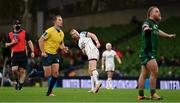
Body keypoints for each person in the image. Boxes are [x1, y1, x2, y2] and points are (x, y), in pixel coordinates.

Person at [138, 6, 176, 100]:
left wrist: (168, 35)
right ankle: (153, 94)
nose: (159, 13)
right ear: (151, 14)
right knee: (155, 71)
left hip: (146, 52)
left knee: (144, 73)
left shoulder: (154, 25)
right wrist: (146, 28)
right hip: (148, 52)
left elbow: (158, 31)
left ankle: (140, 95)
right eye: (157, 11)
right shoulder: (148, 22)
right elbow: (144, 25)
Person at [38, 15, 68, 96]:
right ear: (54, 21)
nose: (61, 21)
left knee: (55, 73)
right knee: (47, 74)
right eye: (59, 20)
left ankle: (49, 92)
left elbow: (61, 44)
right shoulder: (49, 31)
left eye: (61, 20)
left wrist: (64, 48)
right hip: (47, 54)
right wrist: (43, 52)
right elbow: (40, 40)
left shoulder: (62, 33)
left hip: (55, 55)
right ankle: (35, 73)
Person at [5, 19, 34, 90]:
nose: (17, 25)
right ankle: (17, 81)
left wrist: (32, 51)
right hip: (14, 54)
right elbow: (6, 45)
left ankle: (20, 85)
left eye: (19, 24)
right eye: (16, 24)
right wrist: (13, 43)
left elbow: (30, 42)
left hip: (23, 54)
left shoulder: (25, 33)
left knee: (22, 71)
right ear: (13, 25)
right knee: (14, 70)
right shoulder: (9, 34)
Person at [70, 29, 102, 93]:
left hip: (92, 50)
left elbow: (92, 35)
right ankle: (93, 88)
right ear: (73, 37)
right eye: (73, 34)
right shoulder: (79, 43)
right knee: (90, 70)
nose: (75, 34)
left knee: (93, 68)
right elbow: (84, 52)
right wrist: (84, 49)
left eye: (75, 32)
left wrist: (97, 42)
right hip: (89, 54)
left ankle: (97, 82)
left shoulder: (83, 33)